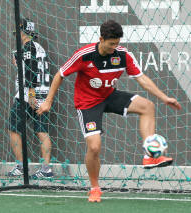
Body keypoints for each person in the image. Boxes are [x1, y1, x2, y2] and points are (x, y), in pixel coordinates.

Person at [36, 20, 181, 202]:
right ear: (101, 39)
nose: (114, 47)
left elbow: (141, 79)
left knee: (147, 106)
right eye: (111, 43)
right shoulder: (84, 55)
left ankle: (149, 156)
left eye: (117, 43)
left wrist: (164, 97)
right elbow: (60, 75)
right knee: (95, 147)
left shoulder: (122, 55)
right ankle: (95, 188)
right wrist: (48, 101)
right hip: (87, 102)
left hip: (108, 95)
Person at [6, 18, 53, 179]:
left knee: (13, 128)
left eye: (17, 31)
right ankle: (46, 168)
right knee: (41, 130)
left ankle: (21, 165)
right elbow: (30, 66)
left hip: (28, 95)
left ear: (23, 32)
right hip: (43, 94)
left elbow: (31, 69)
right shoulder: (38, 47)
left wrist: (31, 94)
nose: (15, 34)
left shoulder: (27, 47)